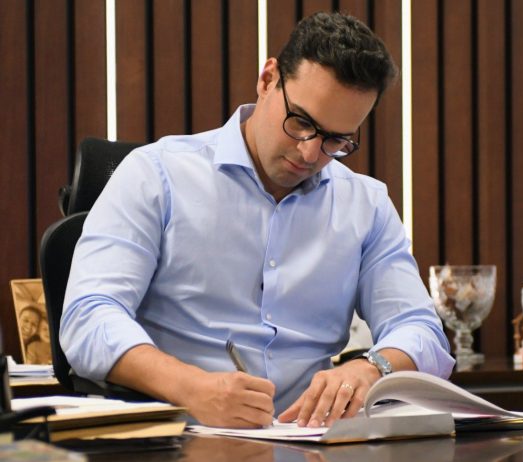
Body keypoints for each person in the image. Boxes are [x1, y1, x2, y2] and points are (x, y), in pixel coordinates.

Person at [61, 11, 454, 429]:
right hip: (178, 436)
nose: (309, 153)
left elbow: (422, 331)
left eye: (336, 140)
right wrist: (191, 387)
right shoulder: (156, 175)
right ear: (268, 80)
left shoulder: (367, 204)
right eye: (301, 122)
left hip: (307, 443)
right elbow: (88, 315)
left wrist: (372, 368)